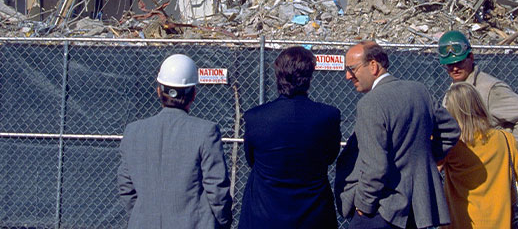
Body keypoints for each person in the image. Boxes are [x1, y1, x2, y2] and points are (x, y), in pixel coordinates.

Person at [335, 40, 461, 229]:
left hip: (381, 209)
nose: (347, 76)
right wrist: (425, 159)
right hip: (417, 208)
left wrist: (364, 204)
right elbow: (451, 130)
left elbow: (375, 166)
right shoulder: (419, 91)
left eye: (352, 69)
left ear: (373, 66)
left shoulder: (370, 104)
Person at [117, 54, 232, 229]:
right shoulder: (206, 131)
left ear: (158, 91)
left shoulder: (133, 132)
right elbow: (217, 189)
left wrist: (144, 217)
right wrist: (223, 222)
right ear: (193, 94)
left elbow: (126, 188)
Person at [239, 46, 341, 229]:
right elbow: (330, 156)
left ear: (278, 74)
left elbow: (251, 159)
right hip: (314, 215)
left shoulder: (256, 117)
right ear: (309, 76)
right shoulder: (328, 116)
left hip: (264, 216)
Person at [439, 82, 518, 229]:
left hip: (462, 221)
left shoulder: (452, 145)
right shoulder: (506, 139)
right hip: (501, 222)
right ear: (479, 105)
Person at [438, 30, 518, 154]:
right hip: (465, 164)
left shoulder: (489, 89)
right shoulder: (453, 90)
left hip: (488, 165)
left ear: (471, 57)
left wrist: (509, 154)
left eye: (459, 62)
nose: (455, 68)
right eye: (449, 65)